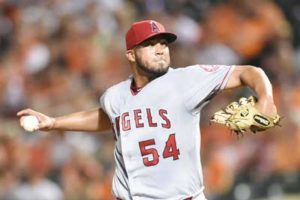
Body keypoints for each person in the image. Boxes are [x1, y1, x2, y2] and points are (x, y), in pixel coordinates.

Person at [17, 20, 278, 200]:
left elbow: (248, 72)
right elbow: (106, 117)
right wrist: (53, 122)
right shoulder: (115, 95)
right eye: (150, 44)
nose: (160, 49)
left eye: (163, 43)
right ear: (131, 54)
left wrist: (265, 97)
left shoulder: (187, 81)